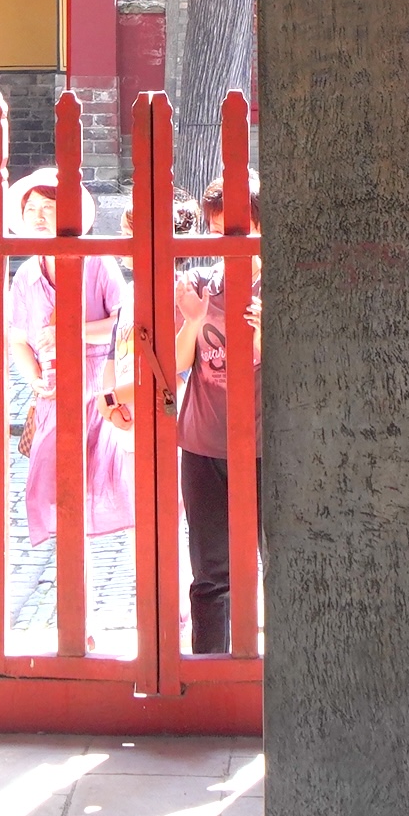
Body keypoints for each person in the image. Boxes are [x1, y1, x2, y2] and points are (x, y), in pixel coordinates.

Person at [4, 173, 134, 565]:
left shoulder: (97, 262)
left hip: (102, 393)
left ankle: (162, 601)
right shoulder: (27, 274)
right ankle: (81, 615)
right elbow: (18, 339)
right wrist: (34, 379)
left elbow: (125, 322)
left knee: (123, 494)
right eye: (32, 209)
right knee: (61, 500)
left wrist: (72, 333)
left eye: (49, 207)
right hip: (55, 397)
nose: (40, 216)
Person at [171, 191, 262, 658]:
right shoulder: (199, 283)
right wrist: (194, 319)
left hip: (266, 445)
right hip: (205, 443)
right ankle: (209, 668)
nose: (230, 238)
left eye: (242, 228)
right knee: (210, 570)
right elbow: (177, 363)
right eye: (220, 227)